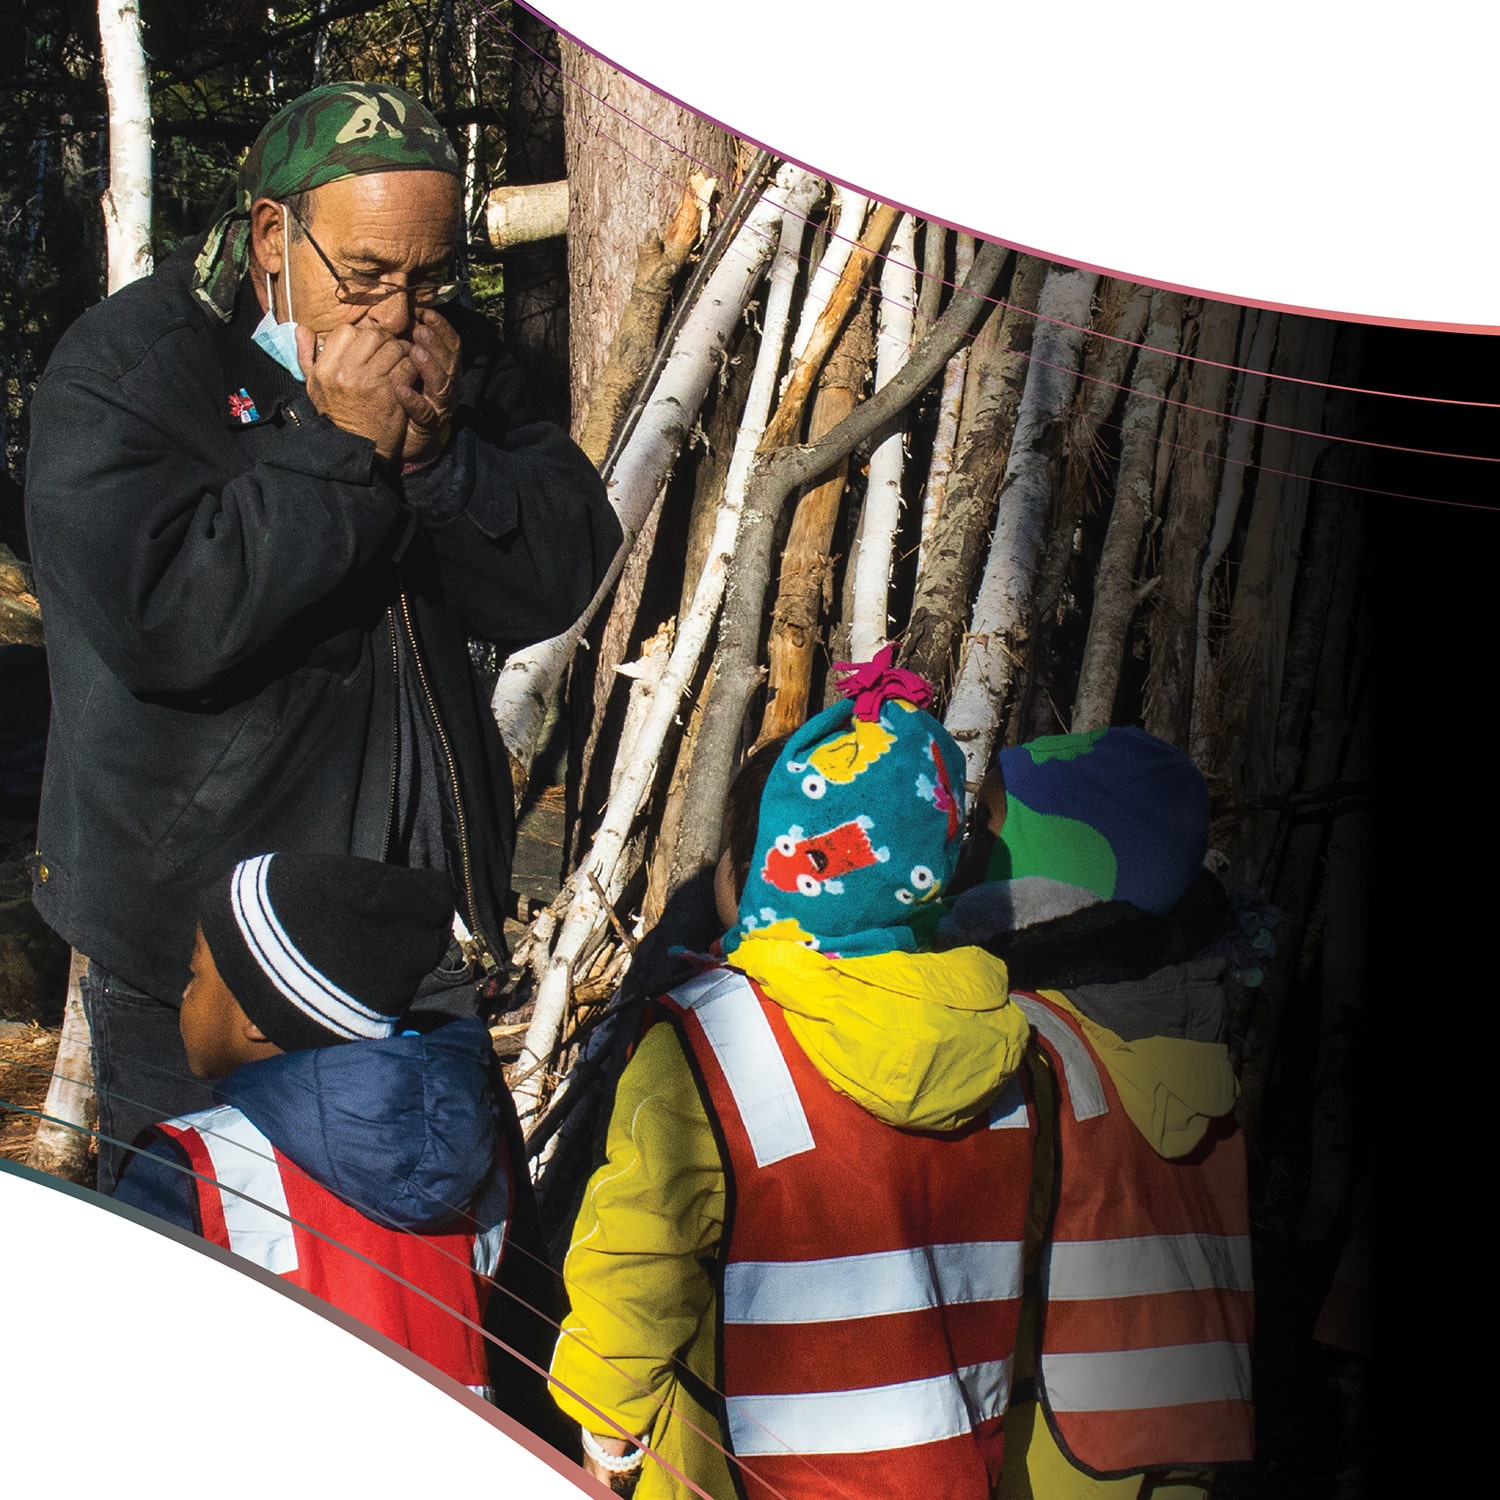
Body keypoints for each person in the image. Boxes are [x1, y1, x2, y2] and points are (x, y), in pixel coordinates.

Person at [24, 82, 619, 1189]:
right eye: (367, 275)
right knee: (223, 1262)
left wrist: (442, 463)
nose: (397, 313)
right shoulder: (129, 377)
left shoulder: (451, 352)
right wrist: (343, 451)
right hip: (203, 950)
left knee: (442, 1268)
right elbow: (168, 624)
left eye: (430, 276)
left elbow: (560, 572)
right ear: (270, 235)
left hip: (406, 927)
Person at [548, 649, 1034, 1500]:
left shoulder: (712, 1037)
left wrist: (605, 1424)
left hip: (739, 1468)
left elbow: (636, 1258)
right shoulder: (1004, 1040)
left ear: (767, 868)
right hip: (951, 1465)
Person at [113, 851, 561, 1428]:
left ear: (256, 1017)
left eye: (197, 975)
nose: (184, 995)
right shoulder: (479, 1143)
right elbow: (526, 1346)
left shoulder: (189, 1169)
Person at [940, 727, 1258, 1500]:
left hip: (1057, 1445)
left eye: (987, 829)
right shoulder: (1189, 1020)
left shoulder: (1032, 1042)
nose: (970, 852)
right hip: (1176, 1433)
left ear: (1050, 869)